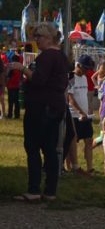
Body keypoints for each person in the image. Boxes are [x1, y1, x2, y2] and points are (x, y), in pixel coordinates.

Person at [10, 22, 69, 202]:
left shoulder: (47, 57)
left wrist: (22, 69)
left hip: (41, 107)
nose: (36, 40)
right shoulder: (61, 56)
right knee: (50, 149)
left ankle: (34, 189)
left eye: (39, 37)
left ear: (49, 38)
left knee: (33, 147)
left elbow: (39, 79)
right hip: (55, 105)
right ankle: (50, 190)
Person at [67, 58, 95, 175]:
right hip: (73, 115)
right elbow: (70, 98)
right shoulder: (70, 77)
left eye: (88, 69)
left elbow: (84, 95)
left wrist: (87, 110)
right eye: (84, 68)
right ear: (78, 65)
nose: (86, 71)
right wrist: (79, 112)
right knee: (71, 142)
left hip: (85, 115)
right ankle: (69, 166)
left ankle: (90, 168)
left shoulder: (84, 78)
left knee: (89, 140)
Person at [7, 48, 22, 119]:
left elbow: (8, 76)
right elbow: (21, 77)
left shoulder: (11, 67)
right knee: (16, 101)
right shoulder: (20, 68)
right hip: (17, 86)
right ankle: (17, 115)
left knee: (10, 101)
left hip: (11, 86)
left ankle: (10, 114)